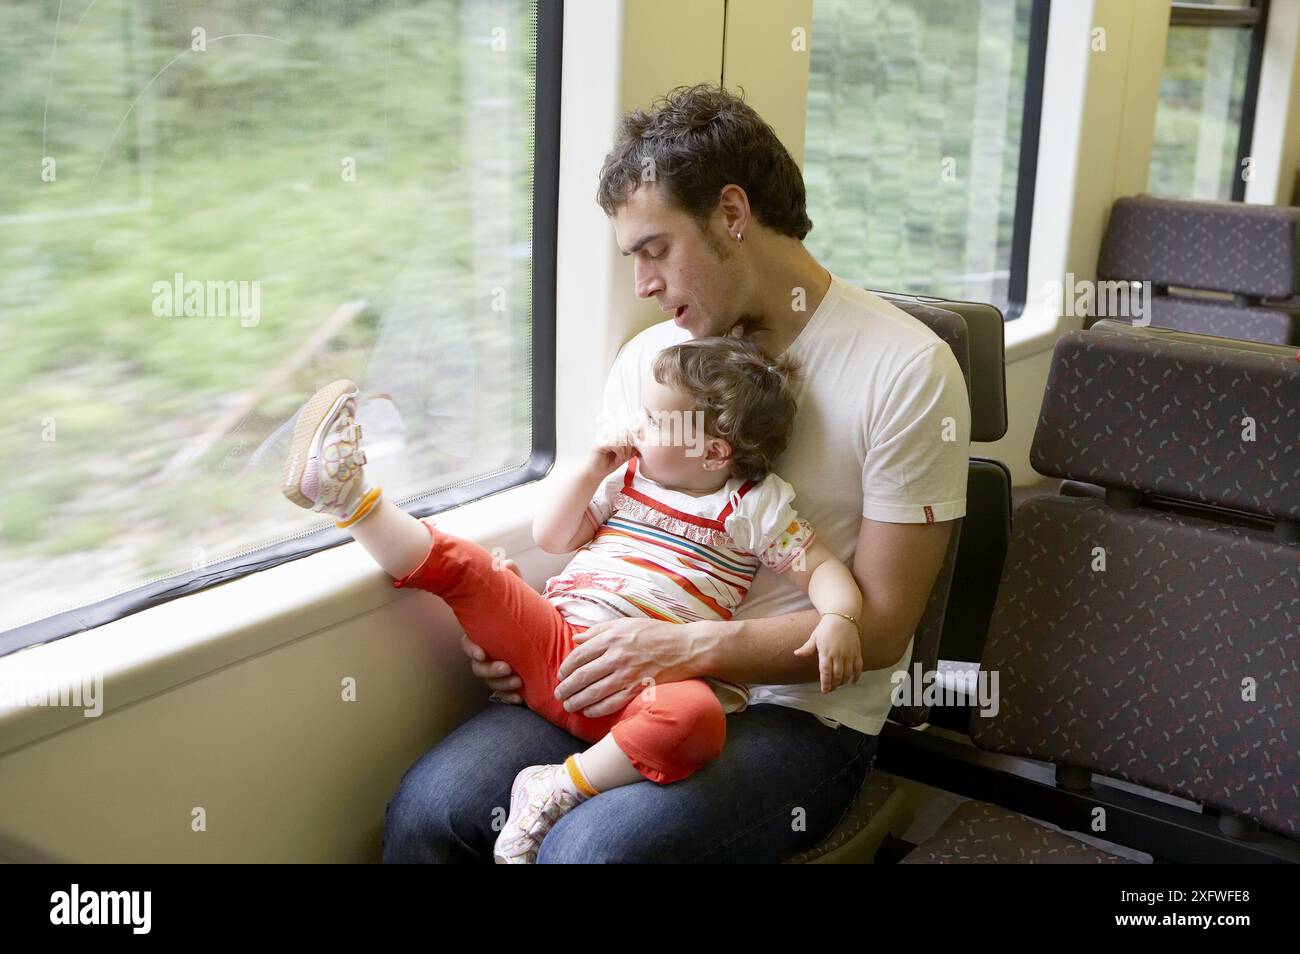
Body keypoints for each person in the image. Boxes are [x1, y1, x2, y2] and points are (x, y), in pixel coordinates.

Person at [382, 83, 970, 862]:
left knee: (589, 855)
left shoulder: (906, 369)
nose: (644, 286)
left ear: (732, 214)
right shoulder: (651, 363)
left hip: (800, 715)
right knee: (428, 810)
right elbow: (597, 537)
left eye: (655, 251)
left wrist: (682, 648)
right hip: (625, 676)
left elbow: (885, 628)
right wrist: (527, 637)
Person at [282, 336, 865, 862]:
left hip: (639, 689)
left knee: (696, 721)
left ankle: (559, 787)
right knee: (472, 569)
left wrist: (839, 616)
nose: (637, 426)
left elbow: (823, 572)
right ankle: (349, 496)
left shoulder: (753, 509)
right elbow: (553, 536)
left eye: (657, 421)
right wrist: (590, 470)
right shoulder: (628, 481)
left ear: (714, 453)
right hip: (554, 642)